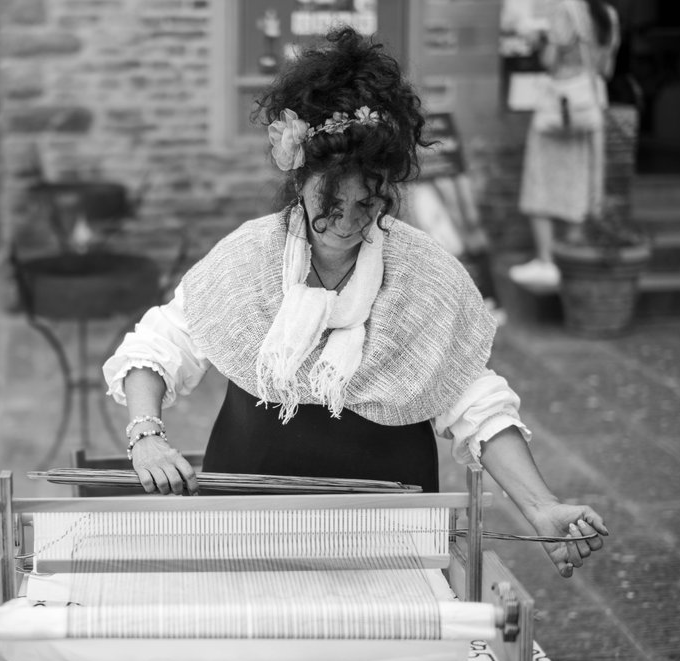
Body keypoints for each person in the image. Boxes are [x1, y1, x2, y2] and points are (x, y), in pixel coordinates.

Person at [101, 27, 607, 578]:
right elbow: (159, 344)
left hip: (390, 529)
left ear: (388, 188)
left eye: (366, 202)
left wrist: (540, 506)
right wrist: (145, 434)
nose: (345, 224)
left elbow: (471, 399)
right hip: (246, 518)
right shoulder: (249, 257)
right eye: (329, 201)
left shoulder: (424, 275)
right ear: (299, 181)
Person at [509, 0, 620, 288]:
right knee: (578, 185)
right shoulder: (608, 16)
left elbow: (549, 60)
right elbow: (607, 68)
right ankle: (572, 264)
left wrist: (541, 41)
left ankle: (547, 261)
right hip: (590, 106)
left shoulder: (566, 8)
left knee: (539, 184)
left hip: (558, 108)